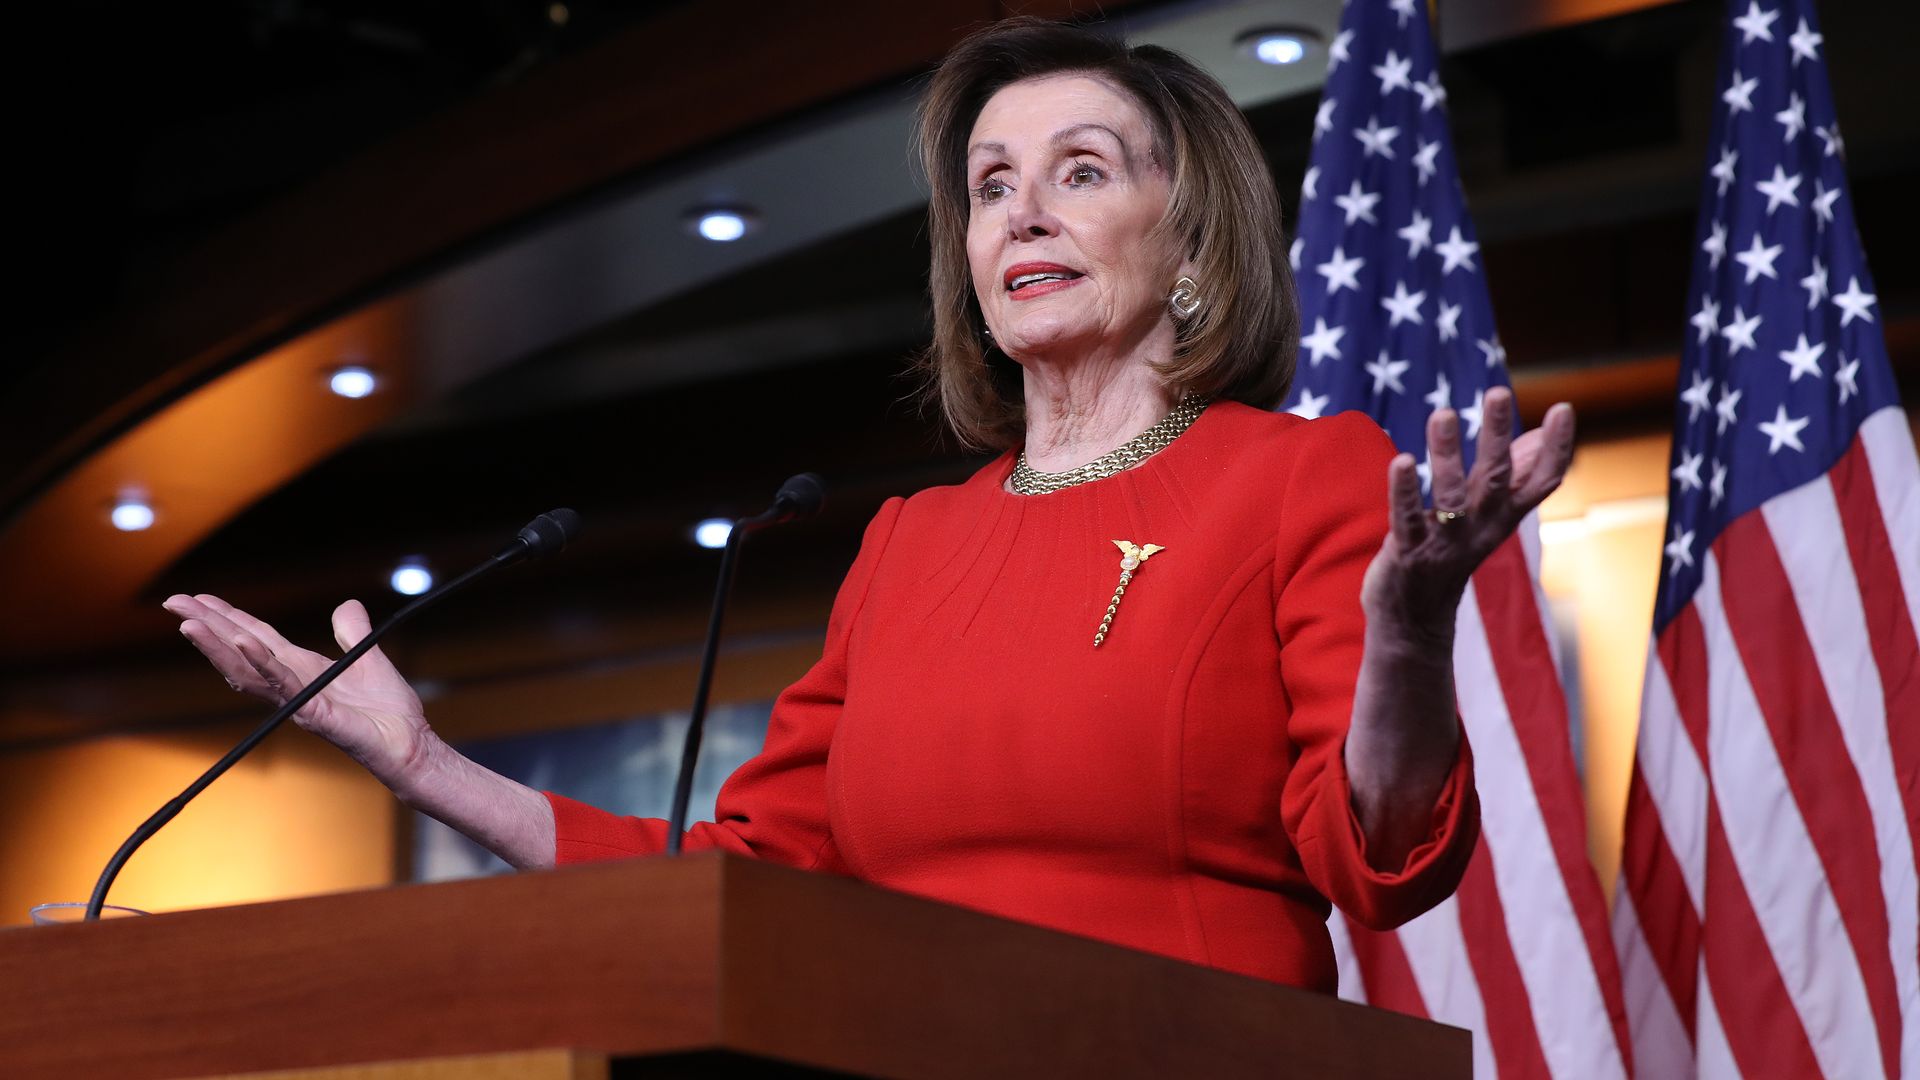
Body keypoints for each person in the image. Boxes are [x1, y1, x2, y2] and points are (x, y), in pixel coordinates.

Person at [164, 19, 1574, 992]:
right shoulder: (913, 544)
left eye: (1081, 172)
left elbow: (1382, 856)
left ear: (1191, 234)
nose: (1023, 213)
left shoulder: (1298, 476)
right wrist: (426, 768)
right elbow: (752, 877)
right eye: (991, 187)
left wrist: (1405, 640)